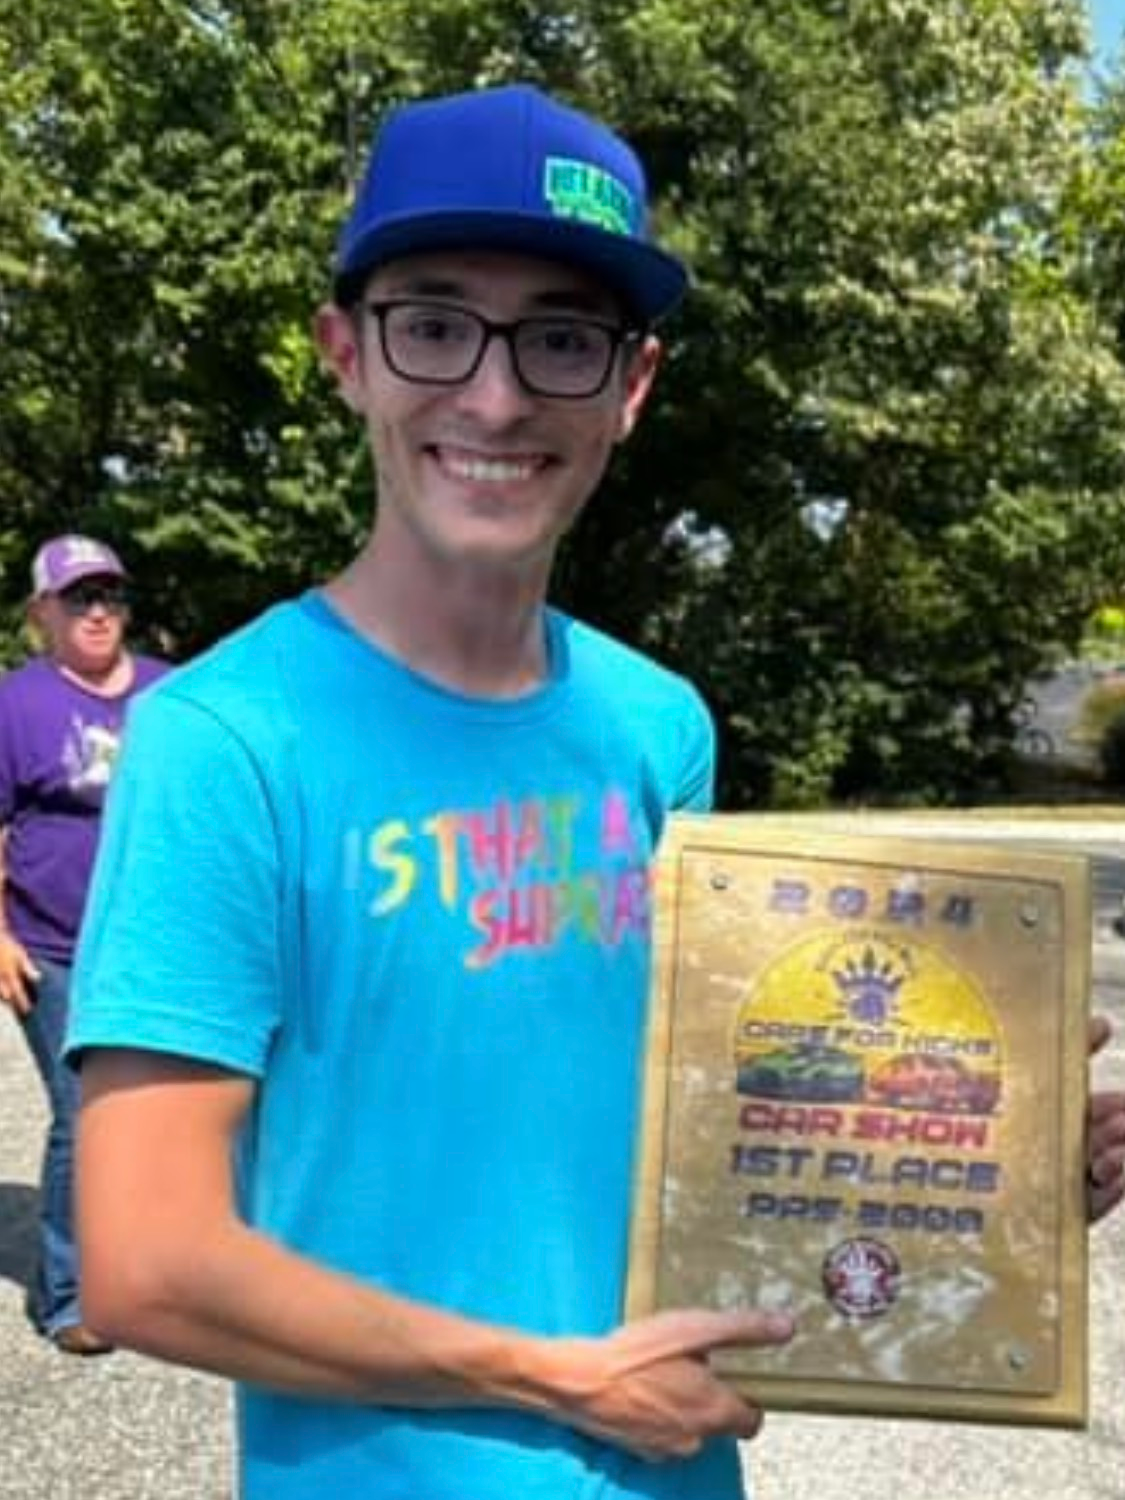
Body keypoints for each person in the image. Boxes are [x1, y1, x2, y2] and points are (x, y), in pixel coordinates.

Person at [64, 82, 1124, 1500]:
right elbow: (147, 1265)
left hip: (675, 1474)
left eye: (560, 340)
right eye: (433, 323)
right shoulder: (227, 742)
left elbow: (693, 1129)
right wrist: (554, 1375)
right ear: (345, 355)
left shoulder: (654, 726)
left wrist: (982, 1169)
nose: (494, 395)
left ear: (630, 388)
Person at [0, 534, 169, 1354]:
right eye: (77, 597)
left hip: (158, 944)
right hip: (53, 948)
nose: (98, 611)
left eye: (109, 595)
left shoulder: (172, 695)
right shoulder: (16, 704)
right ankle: (68, 1295)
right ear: (42, 613)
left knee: (164, 1106)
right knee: (83, 1113)